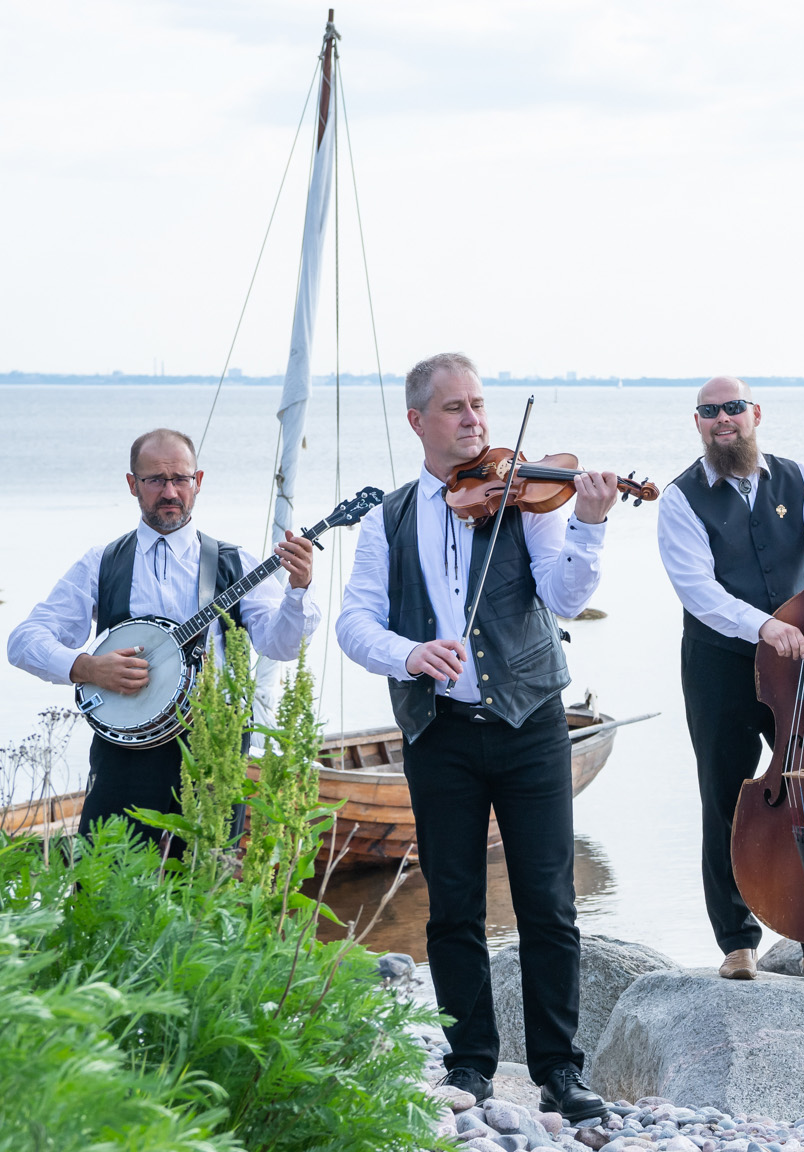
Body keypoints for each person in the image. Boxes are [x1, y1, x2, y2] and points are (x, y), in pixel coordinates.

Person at [335, 353, 616, 1118]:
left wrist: (588, 524)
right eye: (455, 407)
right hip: (439, 731)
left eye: (480, 405)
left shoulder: (529, 498)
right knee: (453, 904)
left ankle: (559, 1070)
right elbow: (355, 622)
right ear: (417, 420)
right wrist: (409, 654)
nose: (474, 420)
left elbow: (564, 594)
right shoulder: (388, 518)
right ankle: (469, 1065)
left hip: (531, 723)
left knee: (548, 902)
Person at [655, 375, 804, 985]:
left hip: (801, 663)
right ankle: (737, 941)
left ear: (755, 413)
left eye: (733, 408)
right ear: (697, 423)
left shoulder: (800, 478)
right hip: (719, 665)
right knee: (725, 796)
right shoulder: (679, 499)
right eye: (709, 411)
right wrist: (764, 626)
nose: (722, 419)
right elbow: (698, 592)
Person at [7, 428, 320, 845]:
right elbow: (24, 640)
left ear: (198, 481)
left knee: (204, 874)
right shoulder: (102, 563)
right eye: (155, 479)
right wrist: (87, 668)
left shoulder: (235, 563)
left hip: (215, 749)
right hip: (124, 752)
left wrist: (299, 590)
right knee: (106, 870)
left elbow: (281, 645)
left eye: (180, 479)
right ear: (132, 484)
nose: (170, 491)